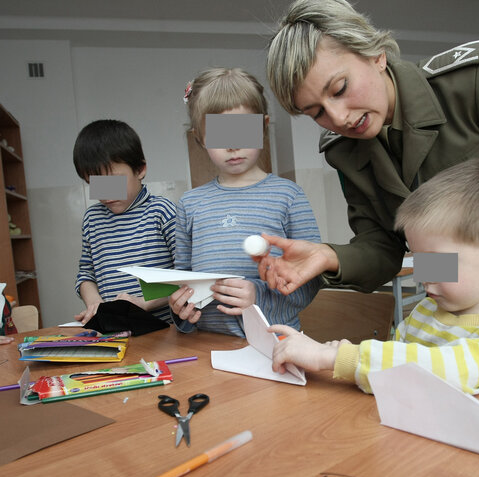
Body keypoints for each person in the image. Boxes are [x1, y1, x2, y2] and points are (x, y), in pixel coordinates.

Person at [261, 0, 479, 396]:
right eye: (316, 111)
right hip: (448, 305)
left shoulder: (474, 84)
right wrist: (328, 255)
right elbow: (384, 247)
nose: (337, 117)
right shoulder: (345, 150)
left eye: (339, 88)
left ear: (376, 54)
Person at [271, 160, 479, 394]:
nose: (424, 275)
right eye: (418, 258)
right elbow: (390, 374)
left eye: (436, 261)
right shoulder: (423, 313)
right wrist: (339, 354)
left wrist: (333, 356)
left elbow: (443, 371)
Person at [168, 68, 321, 337]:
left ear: (263, 127)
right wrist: (180, 311)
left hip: (276, 342)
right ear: (199, 138)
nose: (232, 144)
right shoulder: (189, 204)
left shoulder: (289, 196)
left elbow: (311, 280)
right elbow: (183, 282)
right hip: (207, 345)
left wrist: (258, 296)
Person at [74, 120, 176, 324]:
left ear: (140, 169)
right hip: (115, 330)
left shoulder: (161, 212)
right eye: (95, 183)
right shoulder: (92, 219)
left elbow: (188, 275)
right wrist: (95, 303)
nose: (106, 193)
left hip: (164, 330)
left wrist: (145, 302)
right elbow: (86, 274)